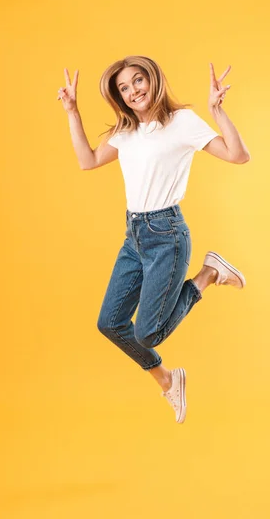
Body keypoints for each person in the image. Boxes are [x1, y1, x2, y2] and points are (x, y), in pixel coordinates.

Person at [57, 55, 250, 424]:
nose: (133, 91)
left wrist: (216, 110)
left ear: (154, 79)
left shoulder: (182, 122)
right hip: (134, 236)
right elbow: (87, 160)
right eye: (124, 89)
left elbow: (238, 156)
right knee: (110, 323)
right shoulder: (126, 133)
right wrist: (72, 111)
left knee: (147, 334)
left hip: (167, 237)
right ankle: (166, 379)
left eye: (138, 80)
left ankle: (208, 274)